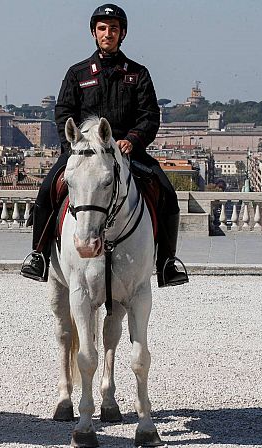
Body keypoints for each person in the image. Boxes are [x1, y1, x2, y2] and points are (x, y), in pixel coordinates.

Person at [20, 3, 188, 288]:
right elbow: (63, 114)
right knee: (47, 189)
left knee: (168, 194)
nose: (107, 34)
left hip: (127, 151)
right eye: (102, 29)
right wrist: (72, 149)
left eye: (113, 29)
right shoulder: (77, 73)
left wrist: (132, 140)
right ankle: (39, 256)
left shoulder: (138, 73)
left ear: (122, 34)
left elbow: (149, 116)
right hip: (84, 153)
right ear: (93, 33)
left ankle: (167, 263)